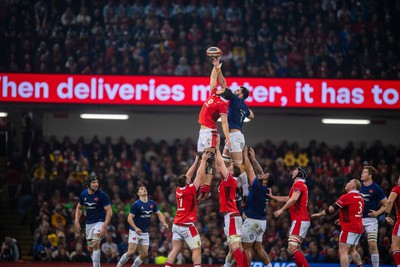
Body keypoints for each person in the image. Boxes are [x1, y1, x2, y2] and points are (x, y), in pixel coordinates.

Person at [165, 152, 211, 267]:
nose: (189, 179)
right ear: (186, 182)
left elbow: (188, 175)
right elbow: (199, 176)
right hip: (187, 226)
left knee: (175, 250)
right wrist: (204, 160)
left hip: (176, 225)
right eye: (188, 179)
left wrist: (196, 161)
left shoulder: (178, 189)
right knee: (196, 249)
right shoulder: (189, 189)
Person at [197, 56, 230, 201]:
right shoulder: (213, 94)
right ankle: (202, 185)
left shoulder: (222, 104)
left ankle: (206, 187)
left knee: (209, 160)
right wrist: (216, 66)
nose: (219, 86)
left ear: (224, 93)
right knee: (201, 159)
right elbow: (212, 79)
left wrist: (227, 137)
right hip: (202, 131)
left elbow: (224, 122)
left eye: (222, 87)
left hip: (210, 132)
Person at [312, 179, 364, 267]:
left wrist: (320, 214)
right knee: (352, 250)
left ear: (353, 186)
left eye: (349, 182)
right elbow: (354, 212)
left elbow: (332, 209)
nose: (347, 184)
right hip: (358, 227)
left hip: (349, 228)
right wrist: (342, 219)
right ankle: (360, 266)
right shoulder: (360, 197)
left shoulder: (347, 197)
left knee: (343, 251)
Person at [214, 138, 248, 267]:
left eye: (231, 167)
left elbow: (221, 164)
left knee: (235, 246)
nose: (228, 167)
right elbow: (219, 166)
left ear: (232, 172)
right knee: (238, 246)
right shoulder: (230, 180)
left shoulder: (230, 179)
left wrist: (217, 148)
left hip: (231, 216)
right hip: (234, 215)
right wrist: (225, 148)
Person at [117, 184, 169, 267]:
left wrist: (164, 223)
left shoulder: (152, 203)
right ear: (138, 193)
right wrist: (136, 228)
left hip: (144, 232)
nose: (144, 189)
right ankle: (119, 265)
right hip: (134, 231)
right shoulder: (136, 204)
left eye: (145, 189)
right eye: (141, 189)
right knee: (131, 252)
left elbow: (159, 214)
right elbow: (129, 219)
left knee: (144, 254)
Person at [268, 167, 310, 267]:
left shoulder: (298, 184)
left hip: (300, 219)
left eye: (295, 171)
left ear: (299, 174)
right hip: (301, 219)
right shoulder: (300, 185)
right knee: (295, 248)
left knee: (292, 248)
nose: (292, 172)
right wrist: (274, 197)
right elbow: (288, 198)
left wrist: (281, 210)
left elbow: (293, 199)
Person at [240, 146, 273, 267]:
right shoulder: (267, 189)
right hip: (262, 222)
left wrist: (245, 157)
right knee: (258, 248)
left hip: (252, 221)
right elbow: (260, 173)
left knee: (246, 247)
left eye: (266, 176)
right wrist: (253, 159)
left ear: (265, 181)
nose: (264, 174)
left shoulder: (258, 187)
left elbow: (249, 170)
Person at [75, 174, 112, 267]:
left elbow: (109, 211)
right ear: (88, 184)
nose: (96, 184)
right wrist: (76, 221)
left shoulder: (102, 195)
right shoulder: (83, 194)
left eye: (97, 182)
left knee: (95, 244)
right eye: (94, 182)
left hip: (100, 221)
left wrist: (104, 226)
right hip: (89, 223)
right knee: (90, 248)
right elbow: (79, 208)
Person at [360, 165, 387, 267]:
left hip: (371, 220)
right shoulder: (358, 186)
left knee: (372, 245)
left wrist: (377, 213)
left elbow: (386, 204)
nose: (362, 174)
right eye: (362, 172)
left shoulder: (376, 188)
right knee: (351, 246)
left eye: (364, 172)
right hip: (357, 219)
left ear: (370, 175)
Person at [385, 175, 400, 267]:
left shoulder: (397, 189)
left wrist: (388, 215)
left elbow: (390, 201)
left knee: (395, 245)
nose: (398, 180)